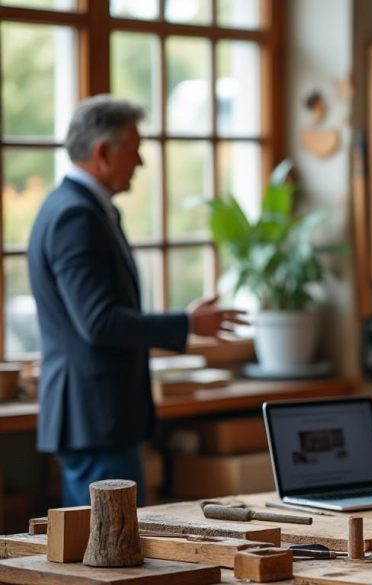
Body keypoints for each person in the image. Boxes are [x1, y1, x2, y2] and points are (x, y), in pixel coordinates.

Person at [28, 95, 244, 507]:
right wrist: (187, 324)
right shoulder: (77, 216)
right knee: (111, 558)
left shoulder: (87, 209)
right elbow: (99, 322)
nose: (141, 162)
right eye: (134, 149)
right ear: (103, 153)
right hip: (95, 419)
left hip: (98, 417)